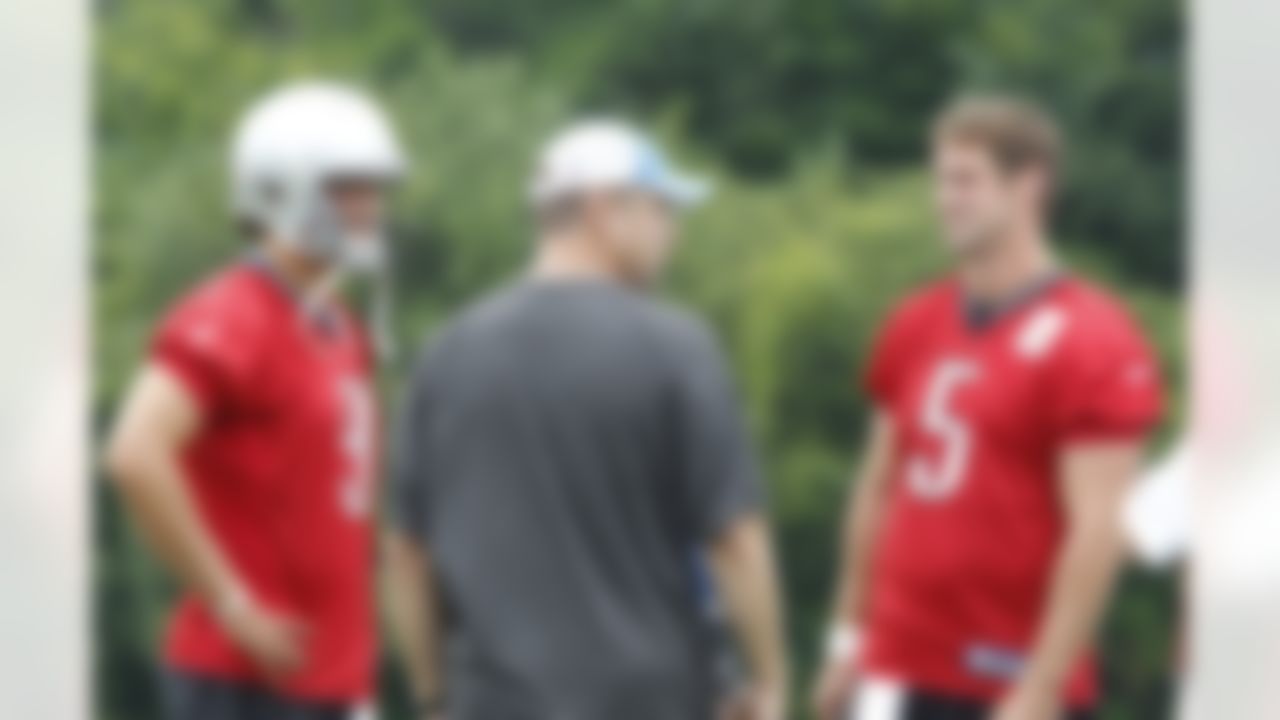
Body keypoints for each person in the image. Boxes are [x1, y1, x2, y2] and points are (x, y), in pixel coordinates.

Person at [385, 119, 788, 720]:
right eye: (660, 209)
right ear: (605, 210)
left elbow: (407, 553)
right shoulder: (675, 347)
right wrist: (770, 680)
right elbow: (734, 541)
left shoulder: (447, 354)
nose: (670, 232)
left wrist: (434, 695)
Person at [811, 96, 1164, 720]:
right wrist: (847, 635)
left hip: (1006, 674)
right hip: (899, 660)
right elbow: (875, 488)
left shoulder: (1094, 336)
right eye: (941, 179)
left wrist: (1040, 686)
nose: (946, 197)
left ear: (1029, 185)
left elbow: (1098, 529)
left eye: (967, 179)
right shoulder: (916, 321)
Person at [103, 81, 404, 720]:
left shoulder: (338, 322)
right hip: (247, 681)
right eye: (349, 187)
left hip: (330, 677)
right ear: (284, 187)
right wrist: (233, 604)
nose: (369, 207)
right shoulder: (232, 314)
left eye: (373, 189)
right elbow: (135, 452)